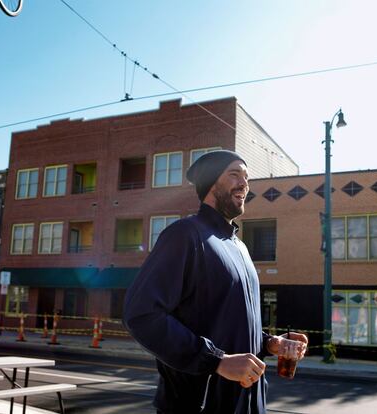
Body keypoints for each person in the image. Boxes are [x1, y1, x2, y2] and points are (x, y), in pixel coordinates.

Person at [123, 150, 308, 414]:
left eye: (247, 177)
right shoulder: (184, 235)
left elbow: (228, 324)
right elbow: (140, 314)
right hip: (198, 406)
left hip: (249, 404)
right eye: (234, 175)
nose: (245, 184)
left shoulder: (240, 247)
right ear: (211, 183)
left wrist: (269, 343)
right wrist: (216, 361)